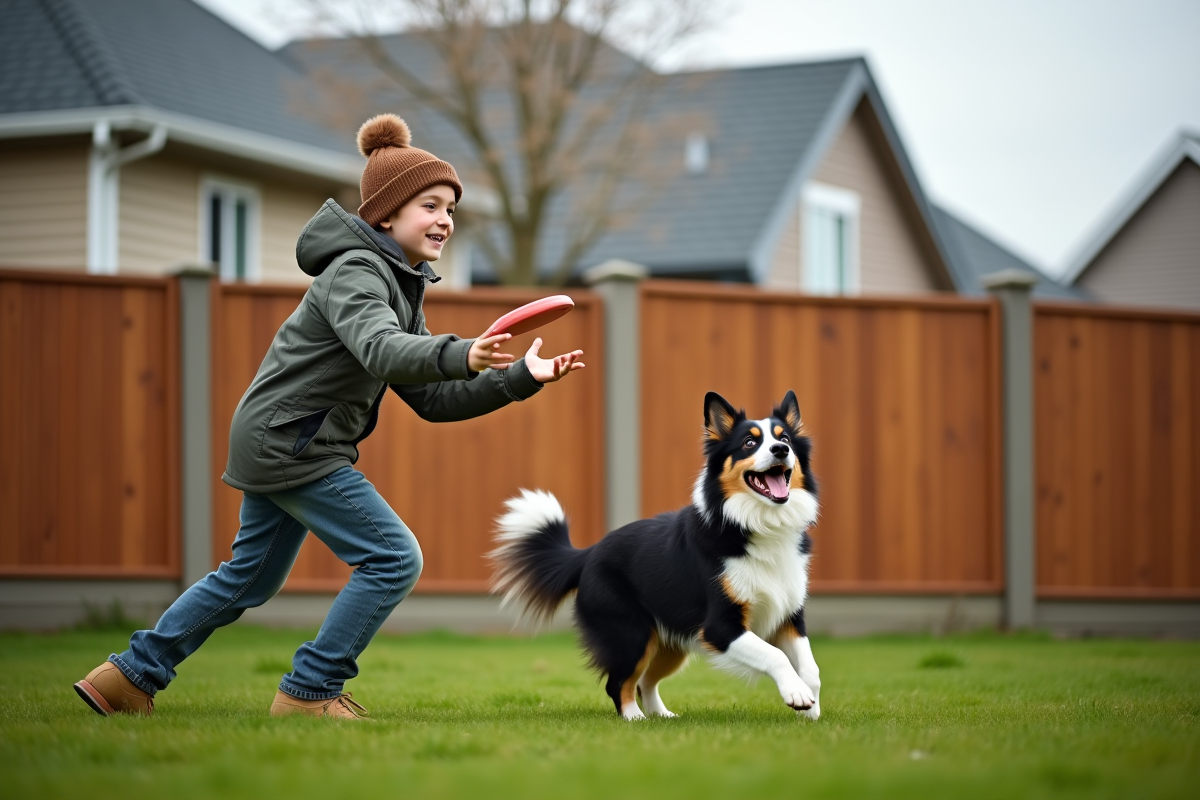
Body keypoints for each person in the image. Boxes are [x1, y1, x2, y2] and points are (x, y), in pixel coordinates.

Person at [72, 114, 584, 720]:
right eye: (431, 205)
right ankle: (309, 693)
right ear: (387, 214)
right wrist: (460, 352)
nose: (446, 219)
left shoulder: (399, 282)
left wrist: (518, 378)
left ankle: (127, 679)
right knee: (394, 558)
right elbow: (381, 348)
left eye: (451, 207)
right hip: (295, 443)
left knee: (248, 579)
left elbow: (431, 400)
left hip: (282, 439)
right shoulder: (355, 273)